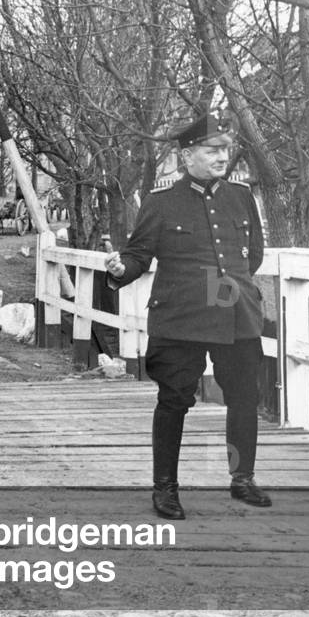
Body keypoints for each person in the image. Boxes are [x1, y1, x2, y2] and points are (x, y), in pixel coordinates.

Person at [104, 114, 271, 519]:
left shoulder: (242, 197)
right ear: (186, 156)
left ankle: (242, 478)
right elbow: (138, 256)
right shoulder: (161, 203)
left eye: (224, 150)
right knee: (174, 401)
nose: (221, 157)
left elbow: (256, 254)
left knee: (244, 398)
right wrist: (119, 269)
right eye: (212, 150)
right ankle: (166, 488)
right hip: (182, 319)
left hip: (235, 315)